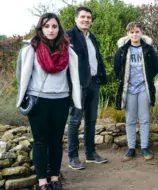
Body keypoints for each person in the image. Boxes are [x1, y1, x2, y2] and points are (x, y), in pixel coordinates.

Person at [16, 13, 81, 190]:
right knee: (40, 141)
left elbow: (73, 77)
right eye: (47, 26)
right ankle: (42, 181)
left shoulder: (68, 50)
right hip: (38, 101)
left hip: (61, 100)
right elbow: (20, 76)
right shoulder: (30, 49)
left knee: (56, 140)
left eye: (54, 26)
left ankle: (54, 178)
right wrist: (22, 99)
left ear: (59, 28)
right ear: (41, 28)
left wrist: (75, 100)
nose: (51, 30)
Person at [66, 6, 107, 170]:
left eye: (88, 17)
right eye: (83, 17)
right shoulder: (68, 36)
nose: (86, 20)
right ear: (76, 19)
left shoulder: (92, 37)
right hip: (78, 85)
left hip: (93, 83)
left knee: (91, 120)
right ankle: (73, 157)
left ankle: (90, 154)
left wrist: (101, 77)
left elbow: (96, 58)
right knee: (75, 120)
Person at [114, 22, 158, 161]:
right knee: (130, 119)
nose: (134, 34)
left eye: (137, 32)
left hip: (143, 88)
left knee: (144, 119)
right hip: (129, 89)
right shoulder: (122, 50)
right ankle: (131, 148)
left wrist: (147, 80)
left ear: (141, 32)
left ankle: (145, 147)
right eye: (131, 32)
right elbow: (117, 69)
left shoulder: (148, 49)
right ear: (128, 33)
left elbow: (155, 68)